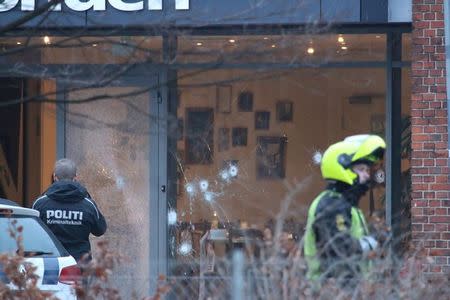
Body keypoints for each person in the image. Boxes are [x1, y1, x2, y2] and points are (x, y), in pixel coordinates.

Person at [303, 134, 385, 287]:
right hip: (331, 292)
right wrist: (372, 243)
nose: (367, 175)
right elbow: (338, 250)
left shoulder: (346, 205)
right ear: (342, 168)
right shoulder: (332, 204)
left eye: (367, 170)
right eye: (362, 169)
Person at [32, 158, 107, 263]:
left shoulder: (40, 204)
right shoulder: (88, 205)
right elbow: (100, 230)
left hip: (51, 264)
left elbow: (33, 233)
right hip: (80, 265)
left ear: (54, 177)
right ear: (76, 177)